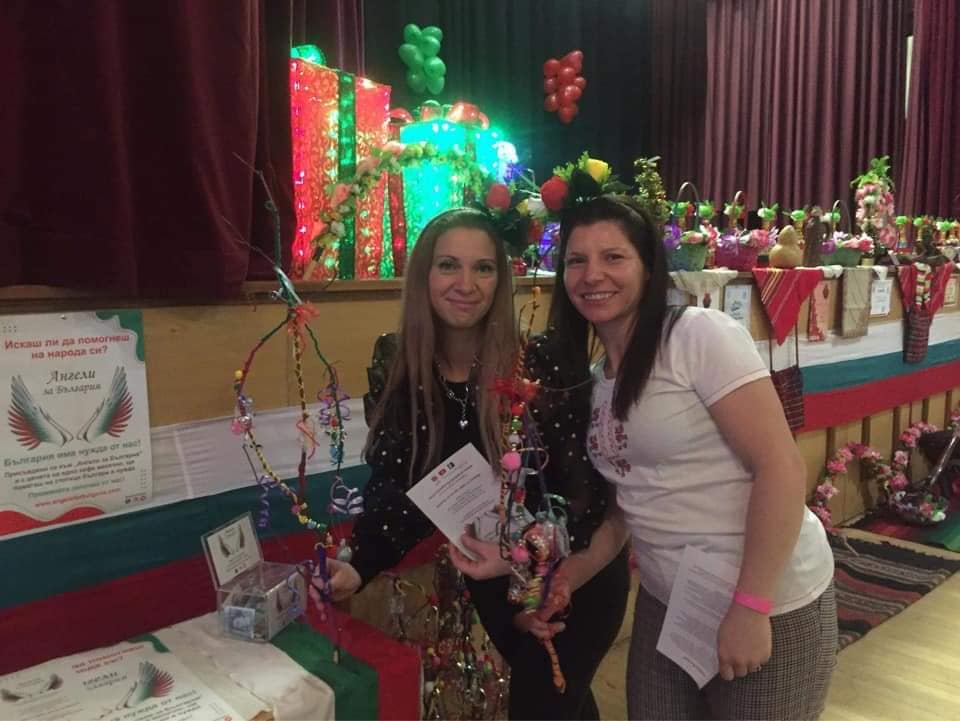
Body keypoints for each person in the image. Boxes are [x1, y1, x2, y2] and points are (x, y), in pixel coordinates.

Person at [455, 196, 837, 721]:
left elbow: (780, 467)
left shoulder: (696, 336)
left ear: (649, 267)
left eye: (613, 257)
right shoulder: (595, 382)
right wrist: (567, 577)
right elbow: (624, 510)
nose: (592, 275)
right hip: (670, 602)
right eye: (576, 260)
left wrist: (752, 605)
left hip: (766, 596)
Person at [320, 207, 630, 720]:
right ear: (423, 275)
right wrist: (359, 565)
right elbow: (398, 485)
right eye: (448, 265)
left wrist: (536, 574)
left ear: (500, 279)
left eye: (483, 268)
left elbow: (584, 500)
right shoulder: (399, 363)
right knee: (568, 709)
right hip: (495, 582)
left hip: (576, 576)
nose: (466, 284)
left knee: (541, 708)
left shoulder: (541, 362)